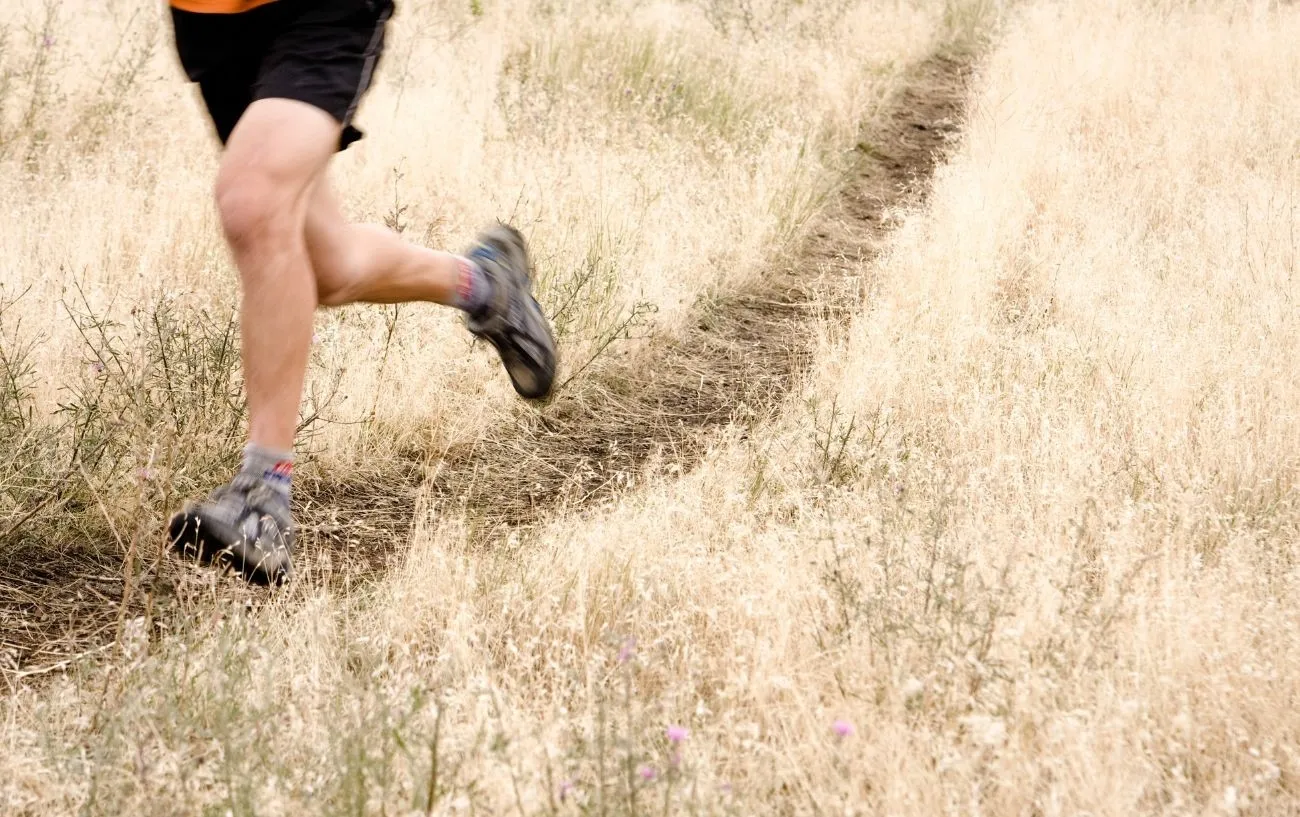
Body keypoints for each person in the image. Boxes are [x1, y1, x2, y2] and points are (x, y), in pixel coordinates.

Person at [165, 0, 557, 586]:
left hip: (320, 11)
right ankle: (487, 285)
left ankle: (262, 495)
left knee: (253, 202)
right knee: (328, 266)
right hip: (213, 18)